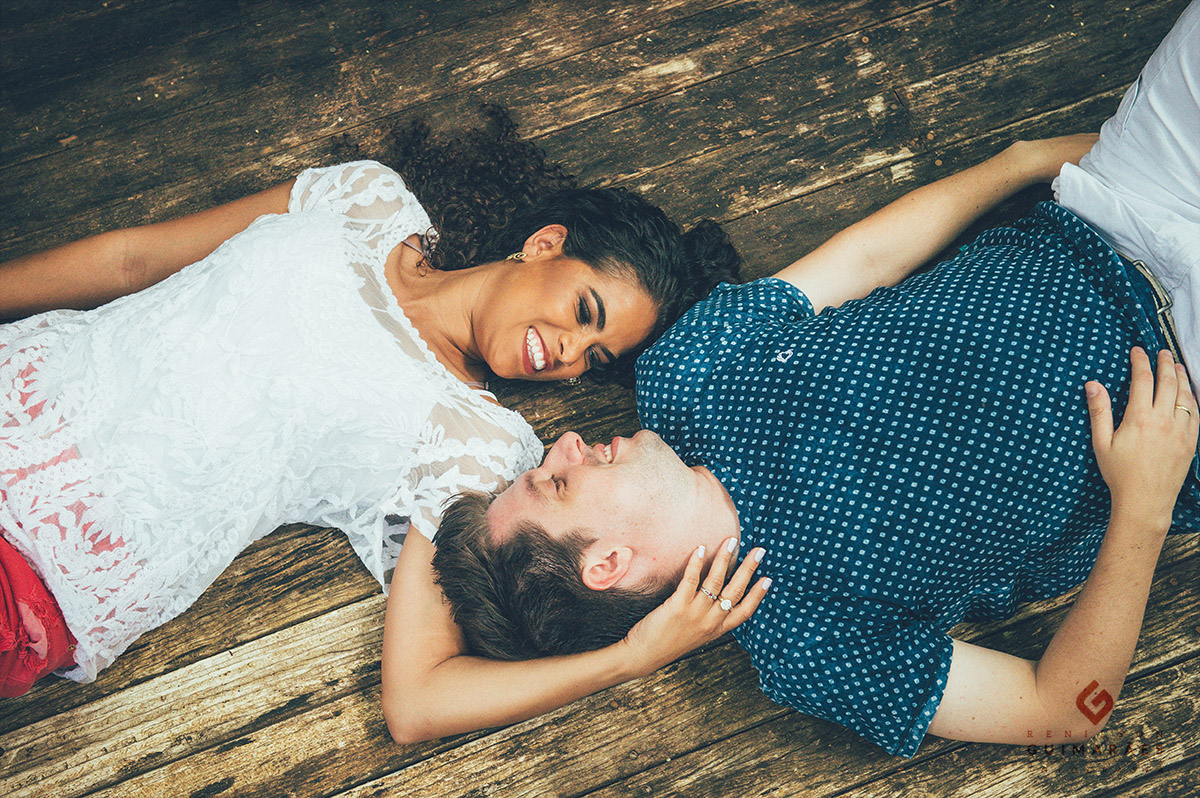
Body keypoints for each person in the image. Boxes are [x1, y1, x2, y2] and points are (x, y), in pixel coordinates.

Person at [426, 2, 1200, 756]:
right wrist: (1144, 506)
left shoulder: (681, 373)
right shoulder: (806, 644)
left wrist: (1022, 161)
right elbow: (1062, 707)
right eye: (555, 482)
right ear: (607, 567)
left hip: (1114, 203)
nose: (564, 441)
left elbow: (867, 259)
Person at [0, 110, 742, 697]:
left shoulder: (473, 444)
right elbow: (131, 259)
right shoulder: (365, 199)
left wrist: (630, 658)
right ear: (547, 244)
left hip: (45, 564)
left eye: (595, 357)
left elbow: (418, 697)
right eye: (584, 311)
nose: (570, 352)